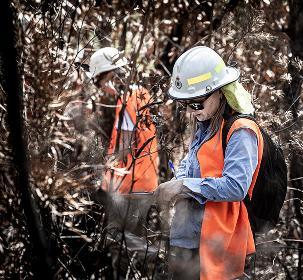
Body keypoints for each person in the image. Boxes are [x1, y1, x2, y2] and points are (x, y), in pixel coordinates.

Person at [157, 46, 263, 280]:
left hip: (217, 243)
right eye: (187, 104)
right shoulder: (207, 124)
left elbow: (236, 186)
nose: (192, 111)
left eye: (196, 103)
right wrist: (179, 180)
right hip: (190, 237)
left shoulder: (241, 131)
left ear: (219, 92)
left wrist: (184, 186)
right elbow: (192, 163)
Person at [87, 47, 159, 194]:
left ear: (109, 77)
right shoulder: (141, 93)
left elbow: (125, 147)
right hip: (147, 179)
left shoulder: (127, 101)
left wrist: (103, 171)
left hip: (129, 185)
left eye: (98, 83)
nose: (101, 89)